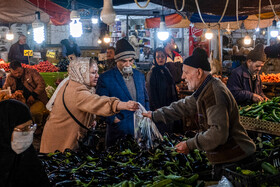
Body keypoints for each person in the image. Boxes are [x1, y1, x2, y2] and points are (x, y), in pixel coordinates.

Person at [143, 48, 256, 178]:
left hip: (236, 159)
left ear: (199, 72)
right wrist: (154, 115)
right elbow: (183, 106)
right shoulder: (205, 89)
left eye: (186, 72)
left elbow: (218, 133)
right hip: (228, 158)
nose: (182, 77)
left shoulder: (213, 93)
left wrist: (190, 144)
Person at [40, 57, 138, 153]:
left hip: (58, 135)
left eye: (97, 72)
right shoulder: (77, 91)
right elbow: (97, 102)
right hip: (60, 141)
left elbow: (82, 106)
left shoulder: (71, 82)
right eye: (93, 73)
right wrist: (122, 105)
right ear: (81, 73)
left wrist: (90, 119)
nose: (97, 76)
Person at [96, 38, 149, 147]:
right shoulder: (106, 78)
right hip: (119, 133)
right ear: (117, 60)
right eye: (124, 61)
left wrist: (146, 115)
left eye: (131, 60)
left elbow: (146, 99)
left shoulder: (139, 76)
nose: (128, 64)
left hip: (141, 129)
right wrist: (115, 121)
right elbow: (100, 104)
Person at [0, 99, 50, 187]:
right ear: (5, 130)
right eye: (23, 130)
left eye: (30, 127)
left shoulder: (30, 160)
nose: (29, 134)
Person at [3, 61, 48, 131]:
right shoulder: (9, 77)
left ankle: (38, 127)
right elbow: (5, 88)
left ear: (22, 68)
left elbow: (41, 84)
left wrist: (33, 95)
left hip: (37, 99)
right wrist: (14, 93)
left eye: (19, 72)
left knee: (34, 112)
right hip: (19, 101)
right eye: (15, 73)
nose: (18, 74)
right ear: (11, 71)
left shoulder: (31, 72)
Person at [146, 48, 181, 134]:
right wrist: (156, 107)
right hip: (159, 107)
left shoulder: (166, 70)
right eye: (158, 57)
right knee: (161, 130)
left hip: (169, 104)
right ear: (155, 59)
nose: (160, 59)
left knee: (170, 129)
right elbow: (150, 92)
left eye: (162, 56)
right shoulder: (152, 73)